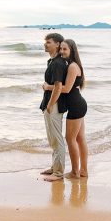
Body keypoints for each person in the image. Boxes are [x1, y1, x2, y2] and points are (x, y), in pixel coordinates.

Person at [43, 38, 88, 180]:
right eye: (61, 49)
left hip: (75, 106)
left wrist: (47, 86)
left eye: (65, 49)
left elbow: (66, 89)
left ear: (72, 50)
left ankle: (75, 172)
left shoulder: (72, 66)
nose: (62, 52)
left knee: (71, 139)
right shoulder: (73, 64)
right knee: (80, 139)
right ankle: (83, 171)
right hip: (79, 104)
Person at [38, 32, 69, 181]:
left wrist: (50, 105)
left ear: (57, 44)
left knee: (57, 138)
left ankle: (58, 173)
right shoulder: (51, 61)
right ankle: (54, 167)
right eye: (45, 42)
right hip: (50, 103)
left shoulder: (57, 63)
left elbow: (58, 87)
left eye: (48, 42)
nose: (45, 44)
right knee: (52, 138)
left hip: (54, 104)